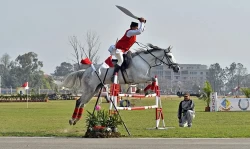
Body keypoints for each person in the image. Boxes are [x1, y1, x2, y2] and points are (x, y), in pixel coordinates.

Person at [108, 17, 146, 82]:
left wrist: (143, 22)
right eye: (136, 28)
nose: (137, 29)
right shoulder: (130, 32)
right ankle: (114, 75)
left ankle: (125, 72)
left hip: (125, 50)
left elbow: (141, 30)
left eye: (137, 28)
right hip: (119, 50)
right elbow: (139, 31)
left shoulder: (133, 32)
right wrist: (141, 22)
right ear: (132, 27)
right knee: (121, 61)